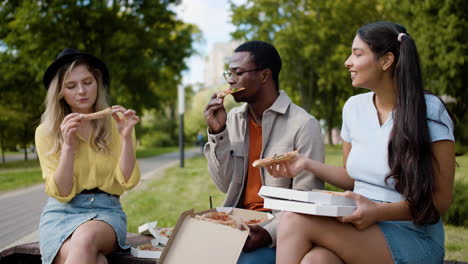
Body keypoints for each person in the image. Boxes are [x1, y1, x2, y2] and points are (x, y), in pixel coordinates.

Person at [267, 21, 455, 264]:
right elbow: (353, 177)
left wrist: (378, 211)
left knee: (293, 219)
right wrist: (305, 164)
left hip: (414, 234)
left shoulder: (430, 110)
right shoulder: (353, 108)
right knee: (316, 261)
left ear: (386, 61)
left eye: (357, 54)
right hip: (363, 225)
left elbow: (440, 202)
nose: (348, 62)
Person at [203, 40, 324, 264]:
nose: (231, 80)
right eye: (228, 74)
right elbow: (224, 184)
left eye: (238, 73)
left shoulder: (304, 125)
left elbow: (308, 202)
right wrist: (217, 132)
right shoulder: (233, 119)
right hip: (234, 223)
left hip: (279, 232)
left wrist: (269, 233)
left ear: (265, 75)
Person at [36, 48, 141, 264]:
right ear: (60, 92)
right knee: (98, 261)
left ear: (98, 83)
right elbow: (62, 192)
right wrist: (68, 147)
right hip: (61, 213)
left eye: (87, 82)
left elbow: (126, 180)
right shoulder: (46, 131)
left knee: (85, 239)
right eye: (71, 86)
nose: (81, 91)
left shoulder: (118, 123)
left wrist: (126, 138)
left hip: (106, 212)